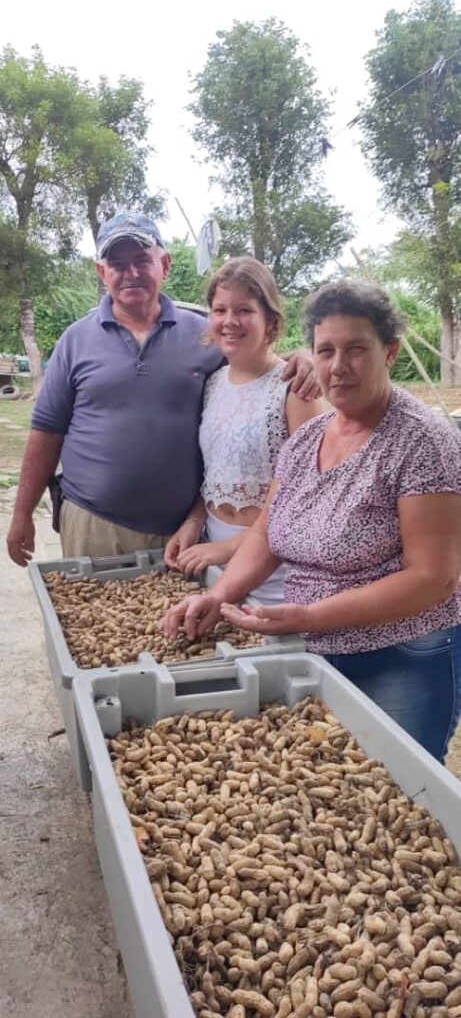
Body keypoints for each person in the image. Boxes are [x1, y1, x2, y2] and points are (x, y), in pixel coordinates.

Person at [162, 280, 461, 762]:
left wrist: (309, 617)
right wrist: (219, 595)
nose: (338, 367)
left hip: (401, 657)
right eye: (326, 351)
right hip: (312, 650)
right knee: (334, 789)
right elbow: (267, 533)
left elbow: (435, 578)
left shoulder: (423, 440)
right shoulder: (308, 438)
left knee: (399, 792)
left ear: (390, 352)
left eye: (356, 349)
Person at [6, 211, 318, 566]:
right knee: (91, 617)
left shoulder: (204, 333)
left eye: (142, 260)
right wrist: (22, 514)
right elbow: (47, 432)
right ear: (101, 272)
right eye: (118, 263)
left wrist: (305, 358)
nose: (131, 272)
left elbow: (254, 362)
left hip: (180, 530)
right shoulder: (75, 340)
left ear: (165, 264)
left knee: (170, 622)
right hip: (92, 523)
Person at [164, 257, 323, 602]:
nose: (230, 321)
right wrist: (193, 524)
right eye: (220, 310)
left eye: (244, 310)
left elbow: (309, 495)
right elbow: (213, 474)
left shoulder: (294, 388)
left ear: (270, 319)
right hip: (212, 558)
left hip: (277, 569)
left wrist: (230, 548)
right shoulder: (212, 384)